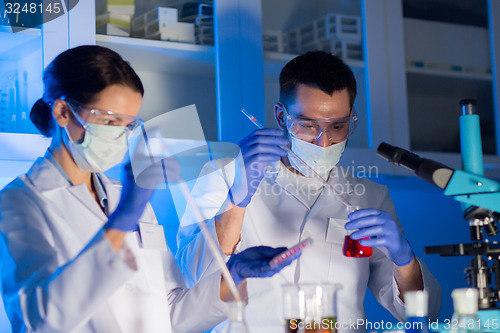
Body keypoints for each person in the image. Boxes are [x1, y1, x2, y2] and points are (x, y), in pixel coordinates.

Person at [0, 45, 296, 333]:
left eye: (128, 124)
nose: (119, 134)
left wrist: (234, 274)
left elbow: (170, 314)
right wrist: (125, 217)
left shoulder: (124, 195)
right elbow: (43, 319)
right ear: (63, 111)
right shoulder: (18, 202)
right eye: (110, 120)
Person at [176, 51, 442, 332]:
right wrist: (237, 200)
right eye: (307, 125)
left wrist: (404, 258)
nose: (323, 141)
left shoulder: (370, 196)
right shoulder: (224, 175)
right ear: (281, 117)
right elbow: (191, 281)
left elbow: (423, 315)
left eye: (338, 127)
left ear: (351, 118)